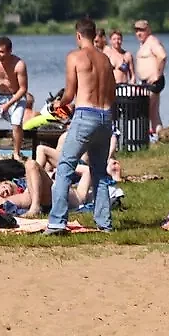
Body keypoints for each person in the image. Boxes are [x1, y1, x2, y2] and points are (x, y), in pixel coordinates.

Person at [45, 17, 116, 235]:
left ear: (78, 35)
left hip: (85, 115)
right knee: (99, 172)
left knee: (65, 167)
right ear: (94, 35)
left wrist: (59, 104)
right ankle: (104, 223)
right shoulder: (105, 59)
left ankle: (57, 221)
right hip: (105, 117)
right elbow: (112, 94)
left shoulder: (74, 56)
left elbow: (69, 93)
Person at [133, 20, 167, 135]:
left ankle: (143, 139)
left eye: (141, 30)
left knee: (143, 111)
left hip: (153, 82)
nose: (139, 33)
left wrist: (157, 74)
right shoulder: (144, 43)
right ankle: (160, 137)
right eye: (137, 30)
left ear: (148, 30)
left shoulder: (152, 41)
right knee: (153, 113)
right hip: (146, 82)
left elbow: (162, 56)